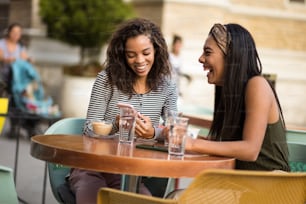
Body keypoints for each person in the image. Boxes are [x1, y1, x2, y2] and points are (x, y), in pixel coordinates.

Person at [68, 18, 178, 204]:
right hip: (91, 167)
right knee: (92, 197)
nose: (140, 60)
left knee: (143, 201)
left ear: (156, 51)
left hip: (128, 173)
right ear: (122, 55)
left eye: (146, 52)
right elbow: (88, 128)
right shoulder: (106, 80)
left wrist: (153, 132)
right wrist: (115, 126)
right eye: (131, 55)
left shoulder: (167, 87)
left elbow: (173, 130)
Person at [185, 23, 290, 171]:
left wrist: (192, 144)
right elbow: (227, 145)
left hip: (271, 188)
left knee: (178, 195)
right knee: (178, 194)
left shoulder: (257, 85)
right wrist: (184, 137)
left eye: (208, 52)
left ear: (231, 56)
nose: (201, 59)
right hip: (242, 185)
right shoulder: (229, 91)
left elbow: (250, 150)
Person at [0, 23, 29, 93]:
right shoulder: (1, 43)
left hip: (16, 79)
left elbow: (24, 59)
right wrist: (8, 60)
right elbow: (1, 57)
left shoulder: (21, 47)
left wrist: (28, 60)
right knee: (3, 98)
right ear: (9, 32)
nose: (16, 34)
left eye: (18, 32)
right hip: (2, 78)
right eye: (14, 32)